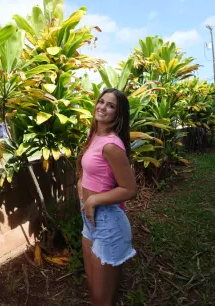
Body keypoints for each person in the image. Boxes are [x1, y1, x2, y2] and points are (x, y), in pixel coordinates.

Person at [76, 88, 137, 306]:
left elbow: (130, 189)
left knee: (102, 300)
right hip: (89, 221)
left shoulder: (111, 145)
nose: (102, 107)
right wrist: (80, 187)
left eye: (111, 106)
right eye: (101, 102)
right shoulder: (94, 135)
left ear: (118, 114)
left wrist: (92, 200)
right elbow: (88, 172)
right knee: (94, 292)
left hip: (108, 223)